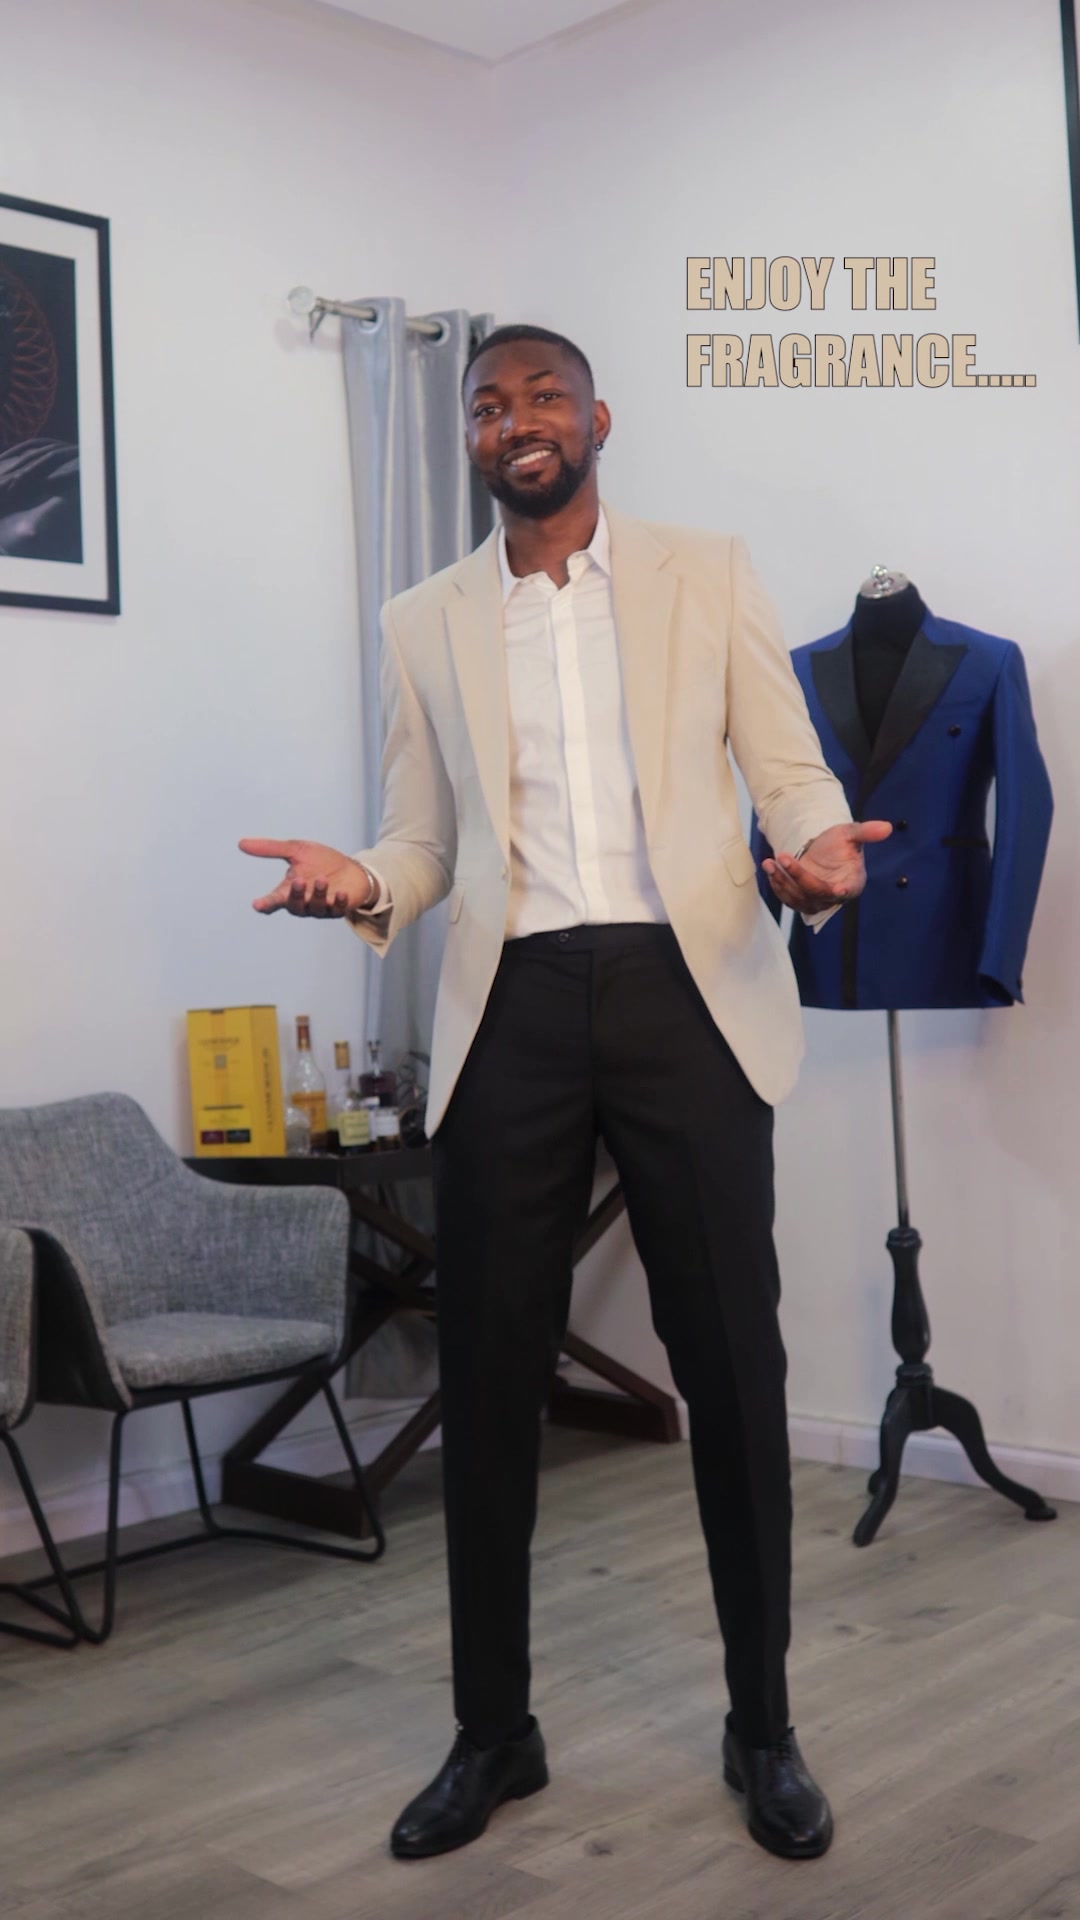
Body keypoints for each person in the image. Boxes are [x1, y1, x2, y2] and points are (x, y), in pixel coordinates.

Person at [240, 324, 891, 1867]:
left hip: (687, 991)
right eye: (487, 405)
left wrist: (818, 852)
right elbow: (423, 841)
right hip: (514, 1009)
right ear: (470, 438)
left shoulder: (704, 571)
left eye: (542, 397)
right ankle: (494, 1732)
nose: (515, 421)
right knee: (488, 1376)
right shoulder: (423, 620)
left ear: (599, 419)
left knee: (732, 1366)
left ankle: (763, 1728)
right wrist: (361, 882)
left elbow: (787, 769)